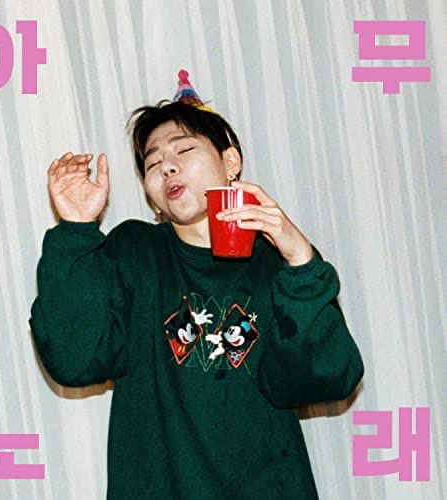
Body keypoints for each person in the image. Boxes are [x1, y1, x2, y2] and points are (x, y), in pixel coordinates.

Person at [29, 70, 364, 499]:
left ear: (230, 162)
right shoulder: (134, 252)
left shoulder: (275, 264)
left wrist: (300, 261)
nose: (167, 165)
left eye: (184, 149)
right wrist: (76, 230)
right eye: (152, 163)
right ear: (150, 194)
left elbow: (325, 379)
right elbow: (73, 359)